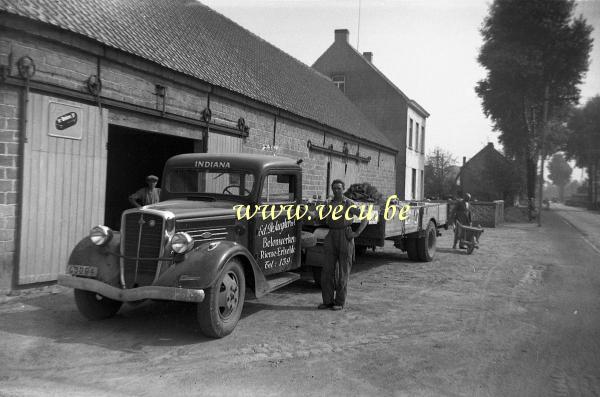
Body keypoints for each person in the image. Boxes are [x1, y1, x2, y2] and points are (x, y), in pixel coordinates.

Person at [318, 179, 369, 311]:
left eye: (339, 188)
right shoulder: (329, 204)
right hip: (331, 235)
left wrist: (356, 233)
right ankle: (327, 301)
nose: (336, 190)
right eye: (334, 188)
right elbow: (318, 215)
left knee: (343, 272)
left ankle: (339, 302)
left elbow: (364, 218)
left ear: (343, 189)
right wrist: (305, 212)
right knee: (327, 271)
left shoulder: (348, 203)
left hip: (345, 236)